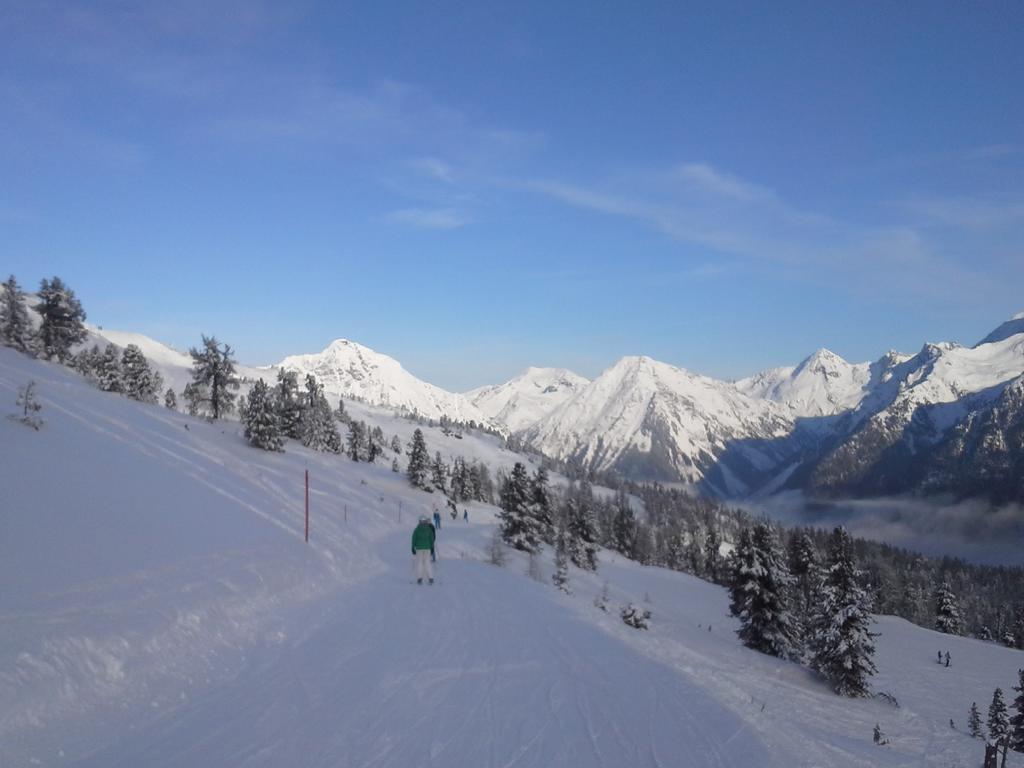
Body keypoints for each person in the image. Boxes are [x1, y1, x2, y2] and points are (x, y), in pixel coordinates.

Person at [412, 515, 436, 585]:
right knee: (427, 562)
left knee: (420, 563)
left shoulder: (417, 529)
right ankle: (430, 578)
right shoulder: (428, 529)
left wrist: (412, 547)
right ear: (425, 521)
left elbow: (413, 539)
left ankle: (420, 578)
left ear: (419, 521)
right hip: (427, 548)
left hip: (419, 548)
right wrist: (432, 548)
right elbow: (431, 539)